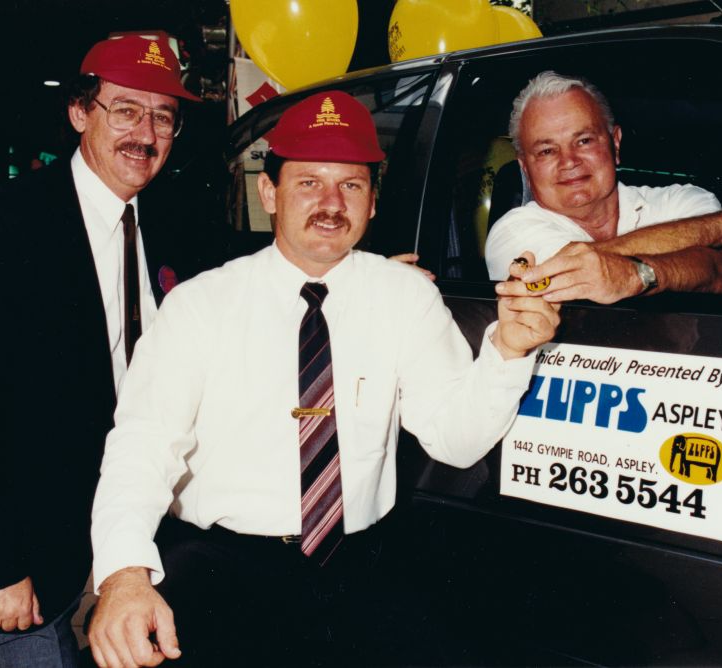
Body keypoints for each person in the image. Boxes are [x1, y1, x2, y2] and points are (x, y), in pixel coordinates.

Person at [87, 90, 560, 668]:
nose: (331, 203)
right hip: (226, 567)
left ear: (373, 202)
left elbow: (454, 439)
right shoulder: (199, 306)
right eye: (309, 182)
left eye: (352, 185)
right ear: (270, 192)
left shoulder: (405, 296)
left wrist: (508, 350)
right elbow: (142, 446)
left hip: (360, 565)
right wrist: (124, 577)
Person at [0, 34, 221, 667]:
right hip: (31, 548)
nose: (146, 132)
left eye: (163, 116)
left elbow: (259, 277)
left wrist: (363, 274)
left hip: (142, 529)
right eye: (126, 110)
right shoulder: (0, 227)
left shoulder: (176, 221)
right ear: (80, 113)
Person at [485, 70, 722, 303]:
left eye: (583, 140)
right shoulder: (513, 232)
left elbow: (716, 273)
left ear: (615, 143)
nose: (569, 161)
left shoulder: (684, 201)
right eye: (547, 150)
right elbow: (563, 273)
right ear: (525, 167)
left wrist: (632, 276)